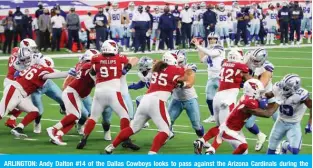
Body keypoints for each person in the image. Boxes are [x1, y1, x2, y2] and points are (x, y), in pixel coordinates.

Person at [104, 51, 194, 155]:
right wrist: (185, 82)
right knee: (165, 131)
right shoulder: (175, 69)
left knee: (133, 128)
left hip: (145, 100)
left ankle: (111, 146)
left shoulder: (156, 68)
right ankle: (152, 153)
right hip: (157, 101)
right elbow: (188, 74)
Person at [76, 40, 139, 150]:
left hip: (99, 92)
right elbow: (134, 59)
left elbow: (92, 72)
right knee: (125, 116)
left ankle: (84, 139)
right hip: (113, 92)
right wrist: (127, 67)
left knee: (93, 117)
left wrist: (97, 79)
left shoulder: (96, 59)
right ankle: (126, 140)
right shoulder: (120, 58)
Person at [193, 48, 251, 154]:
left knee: (220, 127)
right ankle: (211, 149)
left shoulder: (224, 63)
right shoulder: (241, 66)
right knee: (225, 128)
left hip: (217, 97)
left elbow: (233, 67)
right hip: (228, 100)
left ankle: (201, 141)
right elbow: (250, 81)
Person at [204, 79, 279, 154]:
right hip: (229, 130)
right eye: (259, 91)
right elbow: (267, 114)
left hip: (233, 128)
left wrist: (276, 91)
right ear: (253, 91)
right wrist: (279, 100)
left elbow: (265, 96)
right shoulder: (249, 102)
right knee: (243, 146)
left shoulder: (249, 97)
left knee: (244, 153)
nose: (261, 94)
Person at [46, 49, 100, 145]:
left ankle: (58, 136)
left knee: (75, 117)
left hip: (75, 93)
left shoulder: (83, 65)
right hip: (72, 92)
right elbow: (96, 79)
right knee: (75, 115)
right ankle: (53, 129)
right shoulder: (88, 66)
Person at [267, 74, 312, 154]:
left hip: (294, 124)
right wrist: (262, 96)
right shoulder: (278, 87)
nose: (283, 89)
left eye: (286, 88)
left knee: (295, 150)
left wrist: (310, 123)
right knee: (271, 150)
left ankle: (284, 145)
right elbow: (269, 94)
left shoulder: (301, 95)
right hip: (280, 121)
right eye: (283, 86)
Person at [244, 48, 276, 151]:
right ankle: (260, 136)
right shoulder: (250, 60)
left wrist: (245, 75)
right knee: (248, 124)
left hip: (270, 97)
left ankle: (278, 144)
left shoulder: (267, 68)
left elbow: (258, 86)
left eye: (256, 61)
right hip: (256, 96)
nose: (253, 62)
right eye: (253, 60)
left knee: (279, 122)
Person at [167, 50, 204, 139]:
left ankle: (203, 139)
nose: (179, 64)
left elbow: (190, 82)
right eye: (177, 62)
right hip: (176, 100)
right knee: (167, 121)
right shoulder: (171, 68)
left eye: (180, 62)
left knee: (196, 124)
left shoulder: (190, 67)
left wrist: (178, 81)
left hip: (190, 99)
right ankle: (168, 134)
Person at [192, 32, 225, 123]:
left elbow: (211, 53)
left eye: (214, 38)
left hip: (220, 76)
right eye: (210, 38)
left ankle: (229, 116)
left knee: (224, 99)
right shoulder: (209, 49)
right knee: (209, 98)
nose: (211, 40)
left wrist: (199, 46)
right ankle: (213, 116)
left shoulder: (219, 48)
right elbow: (202, 60)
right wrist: (199, 47)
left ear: (217, 39)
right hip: (211, 77)